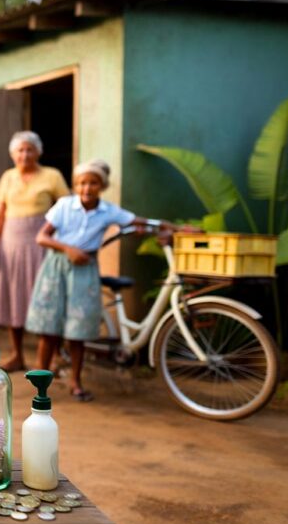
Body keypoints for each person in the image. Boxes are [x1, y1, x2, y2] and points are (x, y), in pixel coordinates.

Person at [25, 160, 176, 401]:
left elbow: (138, 221)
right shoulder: (64, 206)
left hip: (85, 269)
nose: (87, 188)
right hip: (56, 267)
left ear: (102, 186)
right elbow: (42, 237)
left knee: (78, 330)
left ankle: (75, 381)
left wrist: (173, 227)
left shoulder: (108, 211)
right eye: (82, 183)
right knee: (48, 327)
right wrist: (68, 249)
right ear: (75, 185)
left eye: (93, 183)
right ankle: (40, 381)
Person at [0, 131, 69, 372]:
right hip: (11, 246)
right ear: (13, 154)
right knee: (14, 299)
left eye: (29, 149)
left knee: (46, 299)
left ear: (38, 152)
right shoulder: (7, 177)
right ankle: (17, 355)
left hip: (41, 246)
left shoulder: (52, 176)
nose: (24, 154)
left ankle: (52, 357)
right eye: (20, 150)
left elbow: (67, 208)